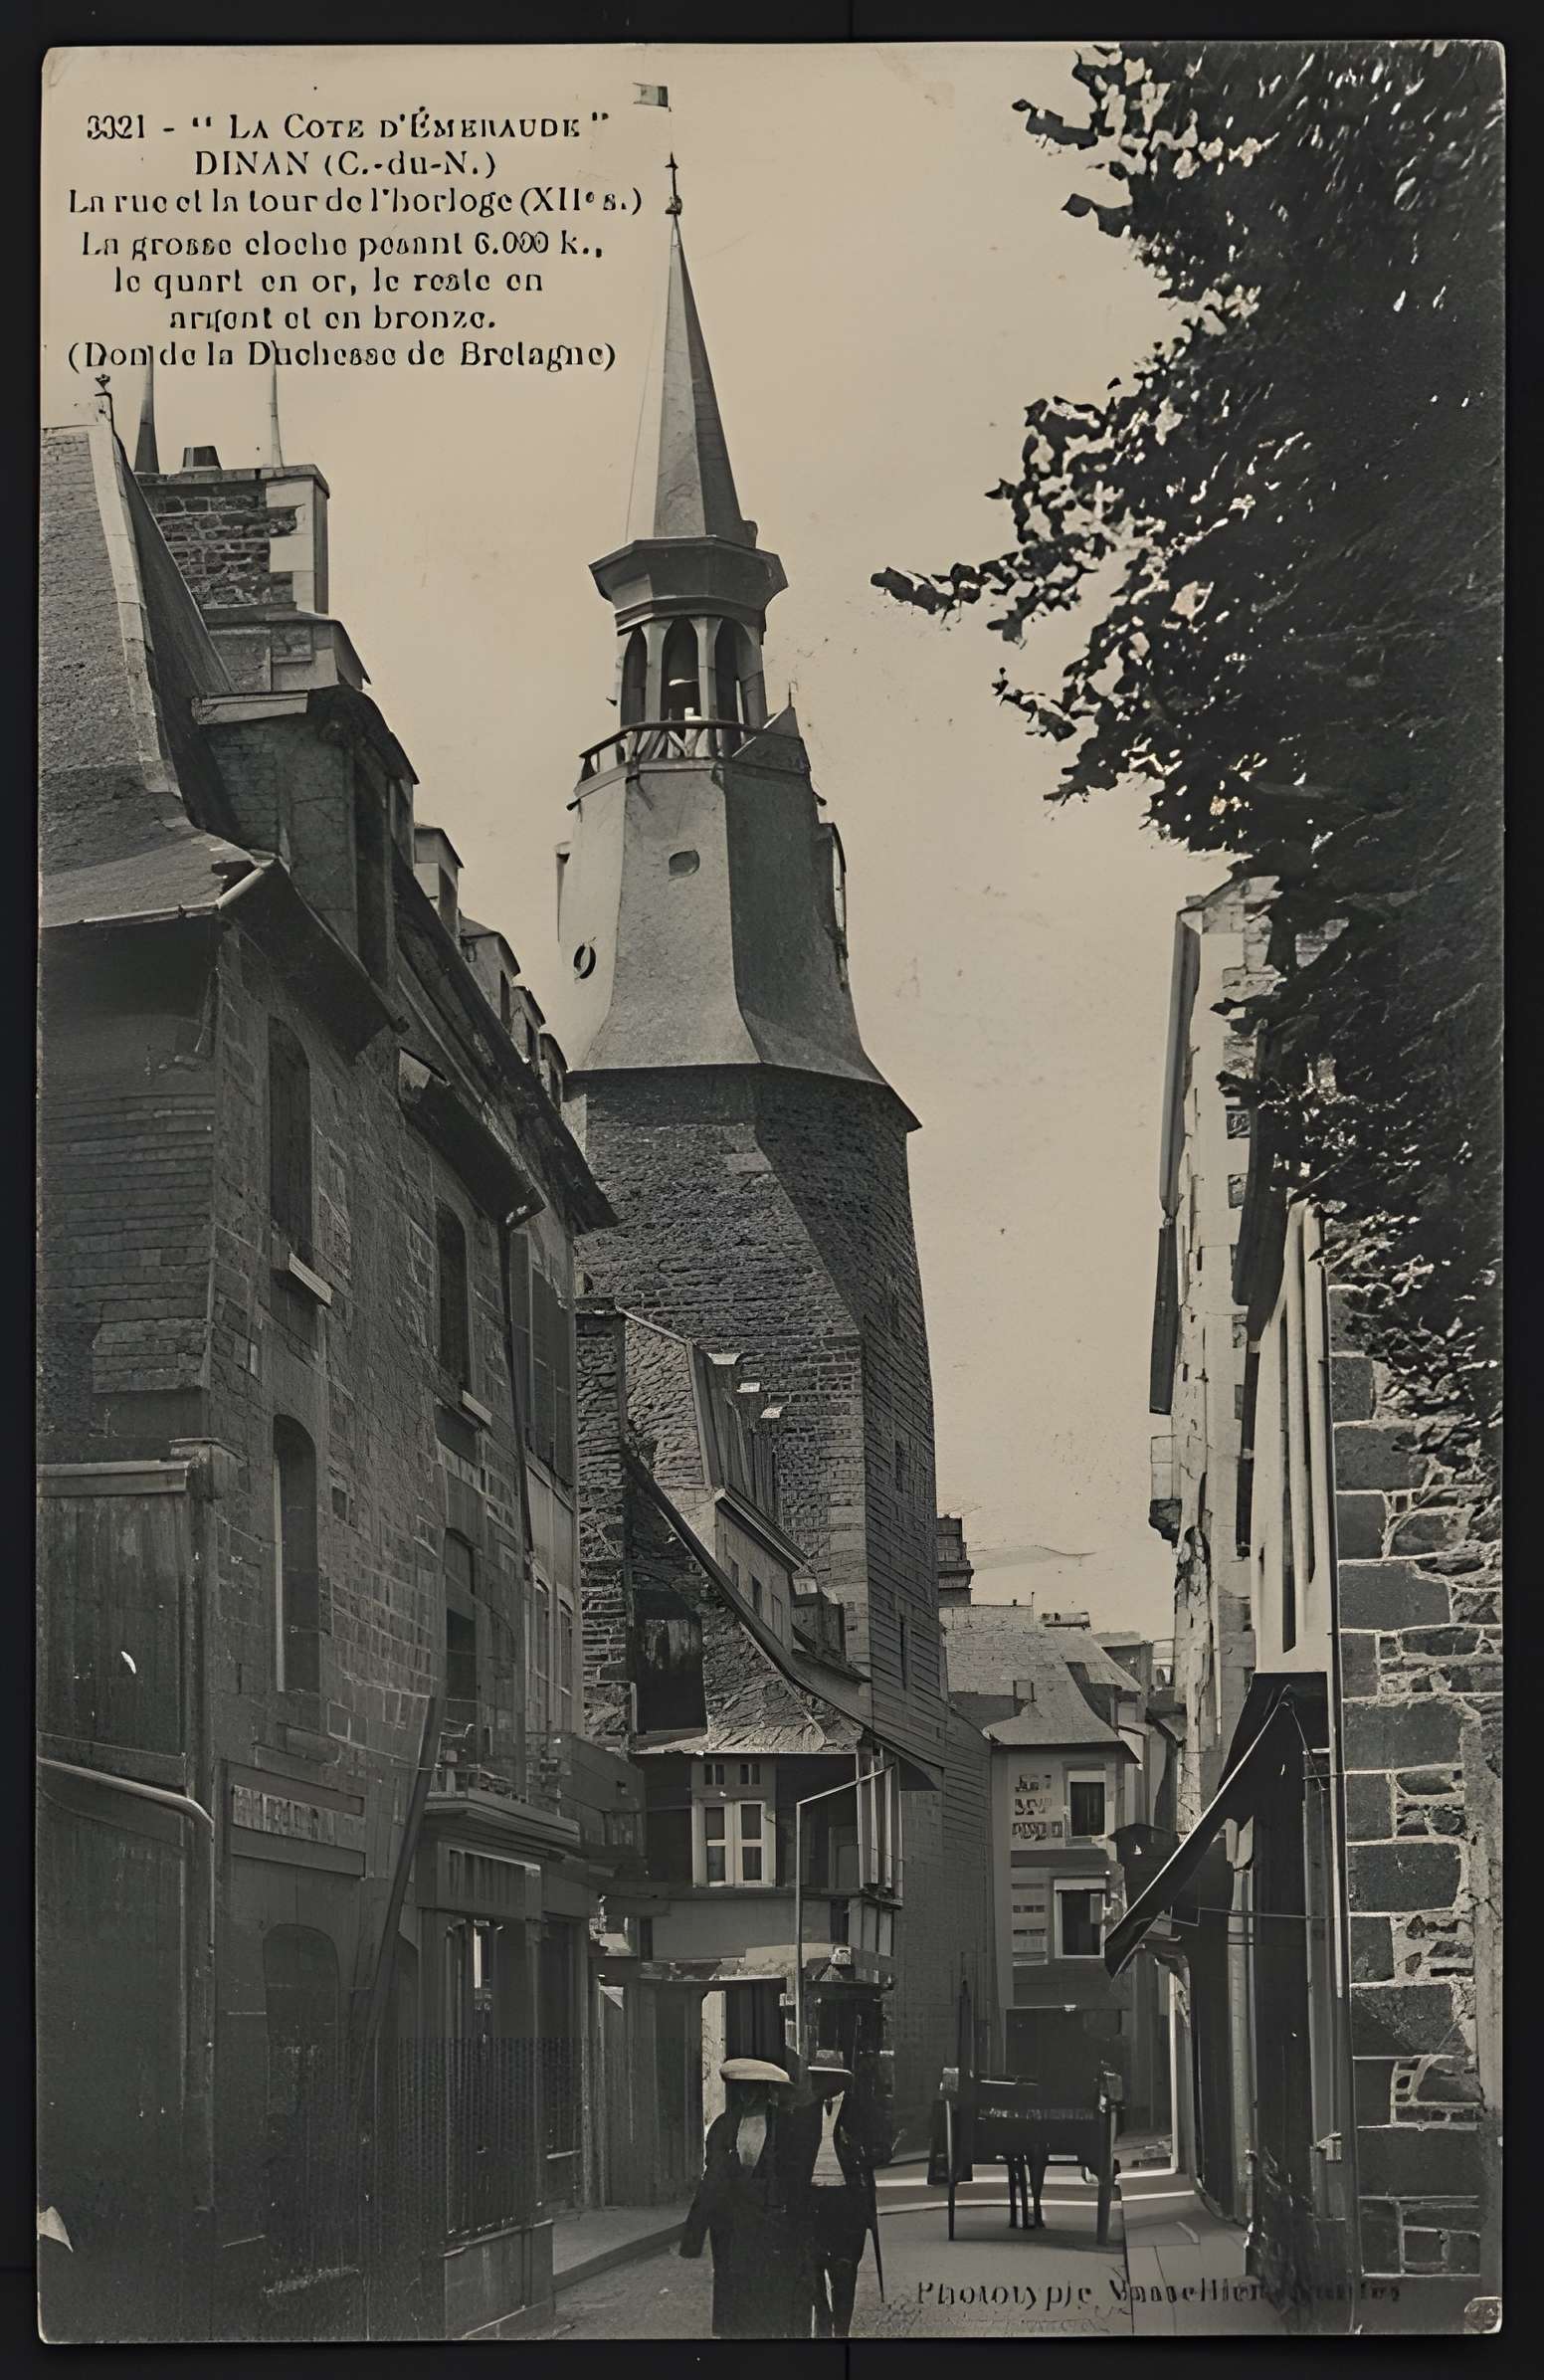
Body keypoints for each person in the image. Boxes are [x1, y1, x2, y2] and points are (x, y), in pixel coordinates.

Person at [678, 2058, 813, 2339]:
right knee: (737, 2309)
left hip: (773, 2230)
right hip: (733, 2230)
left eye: (752, 2088)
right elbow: (712, 2181)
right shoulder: (724, 2128)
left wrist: (803, 2234)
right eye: (741, 2088)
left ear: (766, 2090)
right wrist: (694, 2234)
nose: (745, 2095)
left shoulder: (787, 2126)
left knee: (771, 2308)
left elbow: (799, 2182)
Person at [789, 2049, 883, 2339]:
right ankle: (823, 2321)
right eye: (815, 2077)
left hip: (846, 2203)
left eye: (824, 2078)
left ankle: (841, 2332)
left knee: (844, 2274)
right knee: (810, 2270)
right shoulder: (803, 2115)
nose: (817, 2084)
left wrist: (857, 2150)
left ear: (838, 2081)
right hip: (813, 2202)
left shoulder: (862, 2113)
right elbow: (793, 2160)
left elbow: (883, 2149)